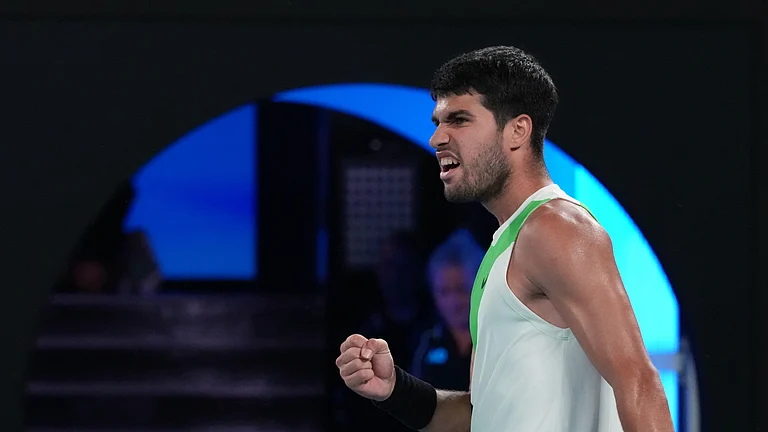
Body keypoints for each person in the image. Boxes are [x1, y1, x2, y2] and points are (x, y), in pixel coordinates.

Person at [335, 46, 674, 432]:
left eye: (459, 120)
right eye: (438, 122)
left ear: (517, 131)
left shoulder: (557, 227)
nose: (436, 138)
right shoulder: (504, 246)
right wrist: (396, 390)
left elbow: (639, 385)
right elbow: (480, 416)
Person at [410, 229, 482, 391]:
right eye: (444, 292)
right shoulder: (426, 341)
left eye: (461, 289)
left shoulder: (497, 338)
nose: (454, 302)